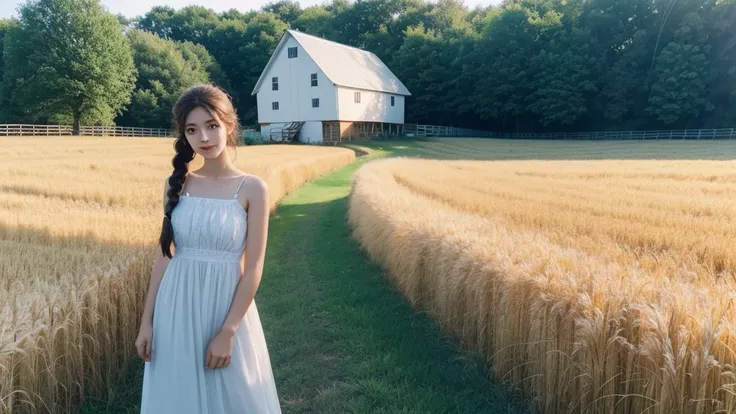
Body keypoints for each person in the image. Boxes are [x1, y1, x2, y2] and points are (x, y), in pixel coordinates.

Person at [135, 84, 281, 413]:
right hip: (176, 308)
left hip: (225, 308)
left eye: (211, 125)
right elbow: (164, 255)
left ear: (229, 125)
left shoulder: (253, 188)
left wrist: (228, 330)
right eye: (192, 129)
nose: (204, 137)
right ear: (184, 136)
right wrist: (148, 322)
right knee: (178, 395)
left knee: (235, 394)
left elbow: (254, 265)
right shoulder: (178, 185)